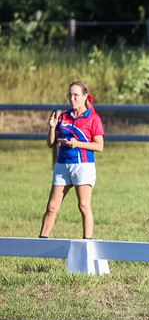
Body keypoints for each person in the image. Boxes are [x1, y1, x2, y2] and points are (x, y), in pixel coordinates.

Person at [39, 81, 105, 239]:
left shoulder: (93, 118)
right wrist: (51, 128)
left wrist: (77, 144)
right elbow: (51, 144)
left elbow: (99, 146)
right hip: (62, 166)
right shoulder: (63, 117)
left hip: (82, 166)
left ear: (84, 97)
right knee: (51, 207)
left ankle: (87, 244)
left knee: (83, 206)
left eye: (76, 95)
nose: (72, 98)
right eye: (70, 95)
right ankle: (40, 242)